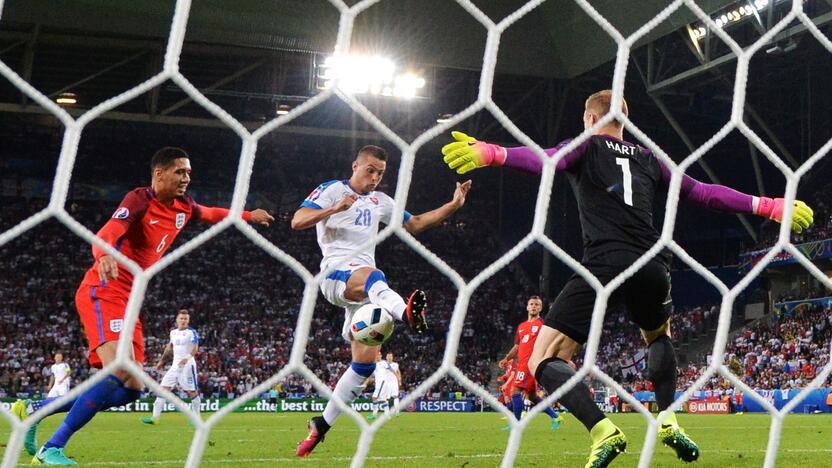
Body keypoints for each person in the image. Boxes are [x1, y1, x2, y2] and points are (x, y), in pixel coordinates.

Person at [441, 90, 814, 467]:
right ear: (624, 121)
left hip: (606, 262)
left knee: (543, 358)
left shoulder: (585, 146)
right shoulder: (650, 158)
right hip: (653, 263)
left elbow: (545, 160)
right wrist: (768, 205)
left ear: (589, 119)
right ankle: (667, 418)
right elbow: (704, 192)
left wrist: (493, 153)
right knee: (657, 335)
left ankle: (604, 431)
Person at [28, 147, 273, 465]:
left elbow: (212, 213)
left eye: (188, 172)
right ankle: (52, 447)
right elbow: (108, 231)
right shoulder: (139, 199)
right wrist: (103, 254)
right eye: (180, 172)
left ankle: (37, 410)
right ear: (159, 173)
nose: (187, 177)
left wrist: (247, 216)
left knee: (132, 388)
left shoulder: (184, 206)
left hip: (131, 300)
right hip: (105, 291)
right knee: (117, 368)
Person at [292, 144, 471, 456]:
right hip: (335, 275)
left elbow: (414, 224)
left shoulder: (380, 202)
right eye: (370, 170)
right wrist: (334, 209)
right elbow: (298, 220)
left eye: (380, 173)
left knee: (363, 366)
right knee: (375, 275)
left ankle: (320, 425)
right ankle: (407, 314)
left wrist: (453, 205)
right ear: (355, 166)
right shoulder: (332, 189)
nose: (374, 177)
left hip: (364, 294)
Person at [498, 296, 562, 430]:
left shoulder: (541, 325)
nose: (533, 306)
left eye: (537, 305)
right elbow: (517, 346)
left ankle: (516, 424)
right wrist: (507, 358)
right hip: (522, 364)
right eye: (531, 304)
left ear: (540, 308)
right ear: (527, 307)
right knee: (532, 396)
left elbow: (550, 342)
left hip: (530, 364)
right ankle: (556, 417)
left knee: (515, 391)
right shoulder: (522, 326)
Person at [141, 309, 201, 425]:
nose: (183, 320)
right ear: (177, 320)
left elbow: (195, 348)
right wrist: (161, 362)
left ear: (188, 320)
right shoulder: (173, 332)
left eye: (185, 319)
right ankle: (155, 418)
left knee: (192, 392)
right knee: (163, 389)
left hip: (187, 365)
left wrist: (187, 358)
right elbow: (169, 348)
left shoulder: (191, 332)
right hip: (175, 366)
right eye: (181, 318)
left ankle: (196, 418)